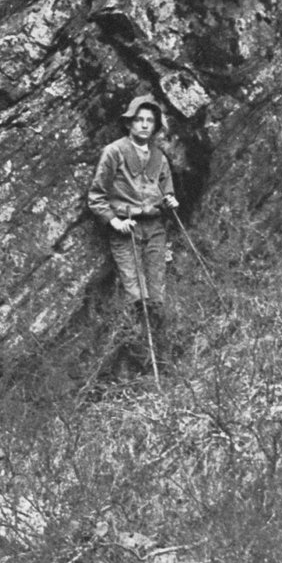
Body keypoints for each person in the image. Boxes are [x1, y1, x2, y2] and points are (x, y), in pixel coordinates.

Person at [86, 94, 178, 370]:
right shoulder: (114, 152)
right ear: (129, 123)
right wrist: (114, 222)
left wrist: (170, 201)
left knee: (157, 297)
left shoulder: (160, 158)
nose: (144, 125)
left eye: (150, 121)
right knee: (135, 296)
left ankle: (162, 359)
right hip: (127, 229)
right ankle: (133, 362)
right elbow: (96, 196)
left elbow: (166, 192)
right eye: (139, 120)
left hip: (155, 229)